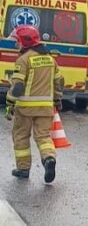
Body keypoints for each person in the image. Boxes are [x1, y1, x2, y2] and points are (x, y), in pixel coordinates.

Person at [5, 25, 63, 183]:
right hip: (46, 108)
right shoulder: (51, 59)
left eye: (17, 41)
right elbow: (59, 81)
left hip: (25, 109)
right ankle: (49, 159)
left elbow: (17, 87)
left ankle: (23, 169)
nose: (16, 44)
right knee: (43, 137)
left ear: (24, 41)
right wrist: (57, 99)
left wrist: (9, 103)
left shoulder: (23, 60)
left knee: (21, 136)